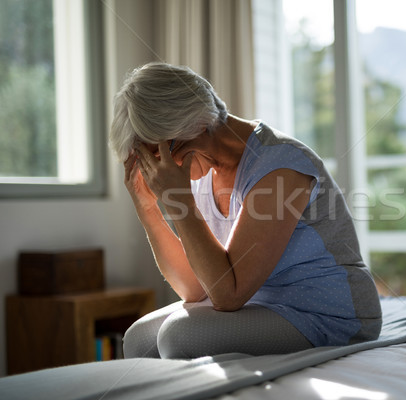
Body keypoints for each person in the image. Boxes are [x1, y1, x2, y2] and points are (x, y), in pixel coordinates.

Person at [109, 62, 382, 359]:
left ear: (196, 123)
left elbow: (228, 295)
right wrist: (148, 207)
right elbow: (196, 289)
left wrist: (181, 201)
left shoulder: (279, 166)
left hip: (328, 314)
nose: (161, 170)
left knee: (179, 337)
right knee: (138, 339)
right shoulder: (198, 173)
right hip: (259, 305)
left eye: (162, 154)